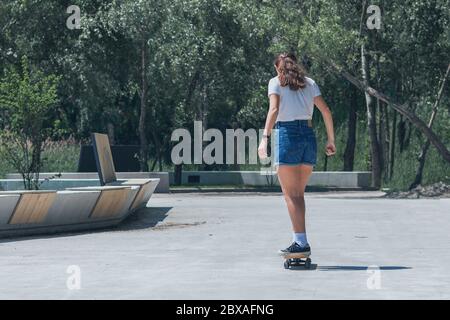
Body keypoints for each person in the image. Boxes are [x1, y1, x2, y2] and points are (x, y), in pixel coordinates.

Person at [258, 52, 336, 256]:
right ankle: (299, 240)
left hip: (287, 135)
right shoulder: (309, 83)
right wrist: (331, 140)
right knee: (298, 195)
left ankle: (301, 242)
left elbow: (273, 110)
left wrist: (264, 138)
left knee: (290, 196)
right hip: (308, 137)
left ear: (278, 68)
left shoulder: (275, 82)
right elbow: (326, 111)